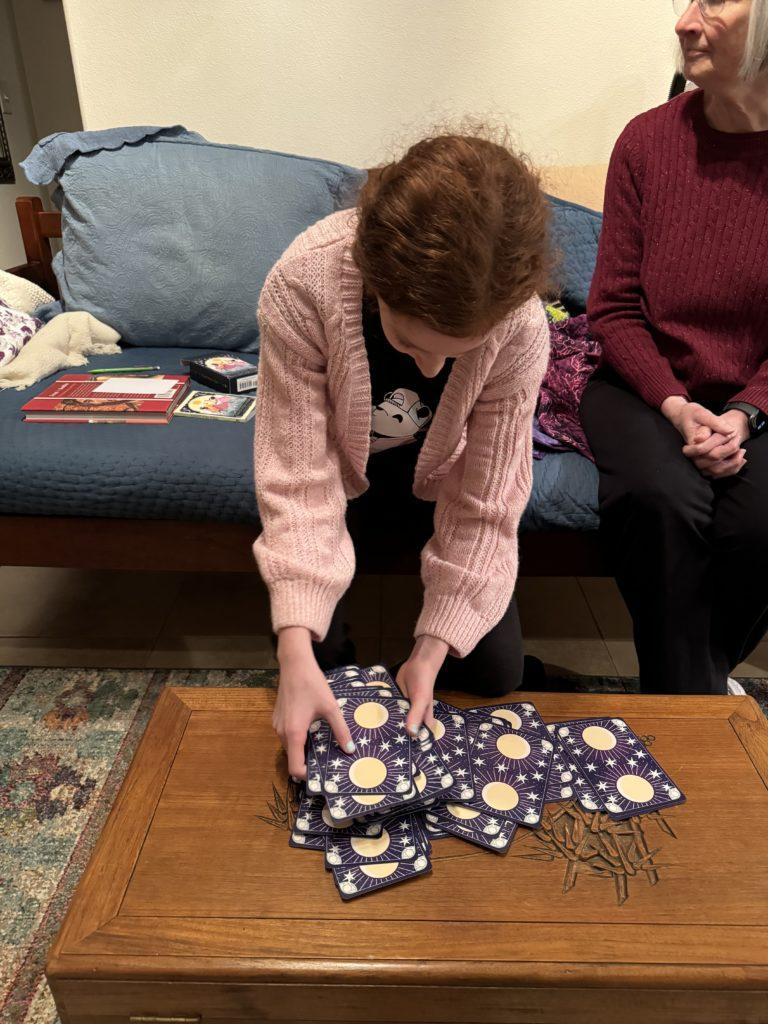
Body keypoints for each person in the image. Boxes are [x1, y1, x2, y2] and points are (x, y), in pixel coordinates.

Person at [253, 131, 551, 778]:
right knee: (311, 652)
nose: (435, 366)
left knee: (493, 671)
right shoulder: (302, 284)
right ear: (374, 279)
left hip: (435, 481)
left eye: (459, 351)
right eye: (410, 341)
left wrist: (433, 642)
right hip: (336, 475)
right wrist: (294, 649)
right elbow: (298, 480)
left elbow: (488, 503)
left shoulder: (522, 327)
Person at [580, 0, 768, 696]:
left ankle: (690, 687)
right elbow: (614, 308)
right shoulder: (646, 142)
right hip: (641, 385)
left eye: (714, 2)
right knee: (660, 498)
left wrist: (747, 411)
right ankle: (695, 705)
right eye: (686, 3)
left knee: (759, 525)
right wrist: (677, 405)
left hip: (755, 394)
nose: (687, 22)